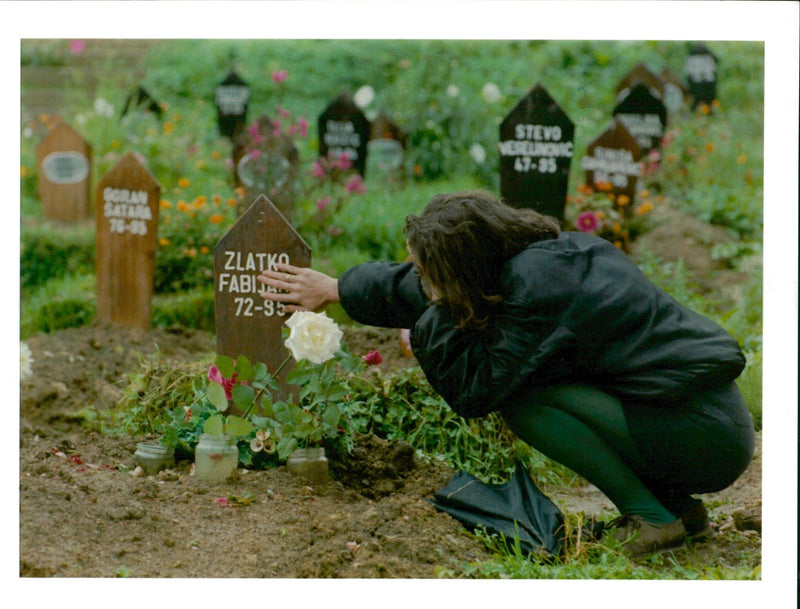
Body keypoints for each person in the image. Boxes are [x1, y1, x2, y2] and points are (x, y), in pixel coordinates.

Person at [257, 189, 755, 556]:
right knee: (544, 387)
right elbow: (419, 286)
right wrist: (337, 287)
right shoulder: (529, 259)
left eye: (429, 273)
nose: (422, 282)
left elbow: (476, 390)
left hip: (704, 436)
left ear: (462, 268)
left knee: (526, 402)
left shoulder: (539, 291)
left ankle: (653, 520)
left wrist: (431, 326)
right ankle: (677, 510)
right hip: (697, 416)